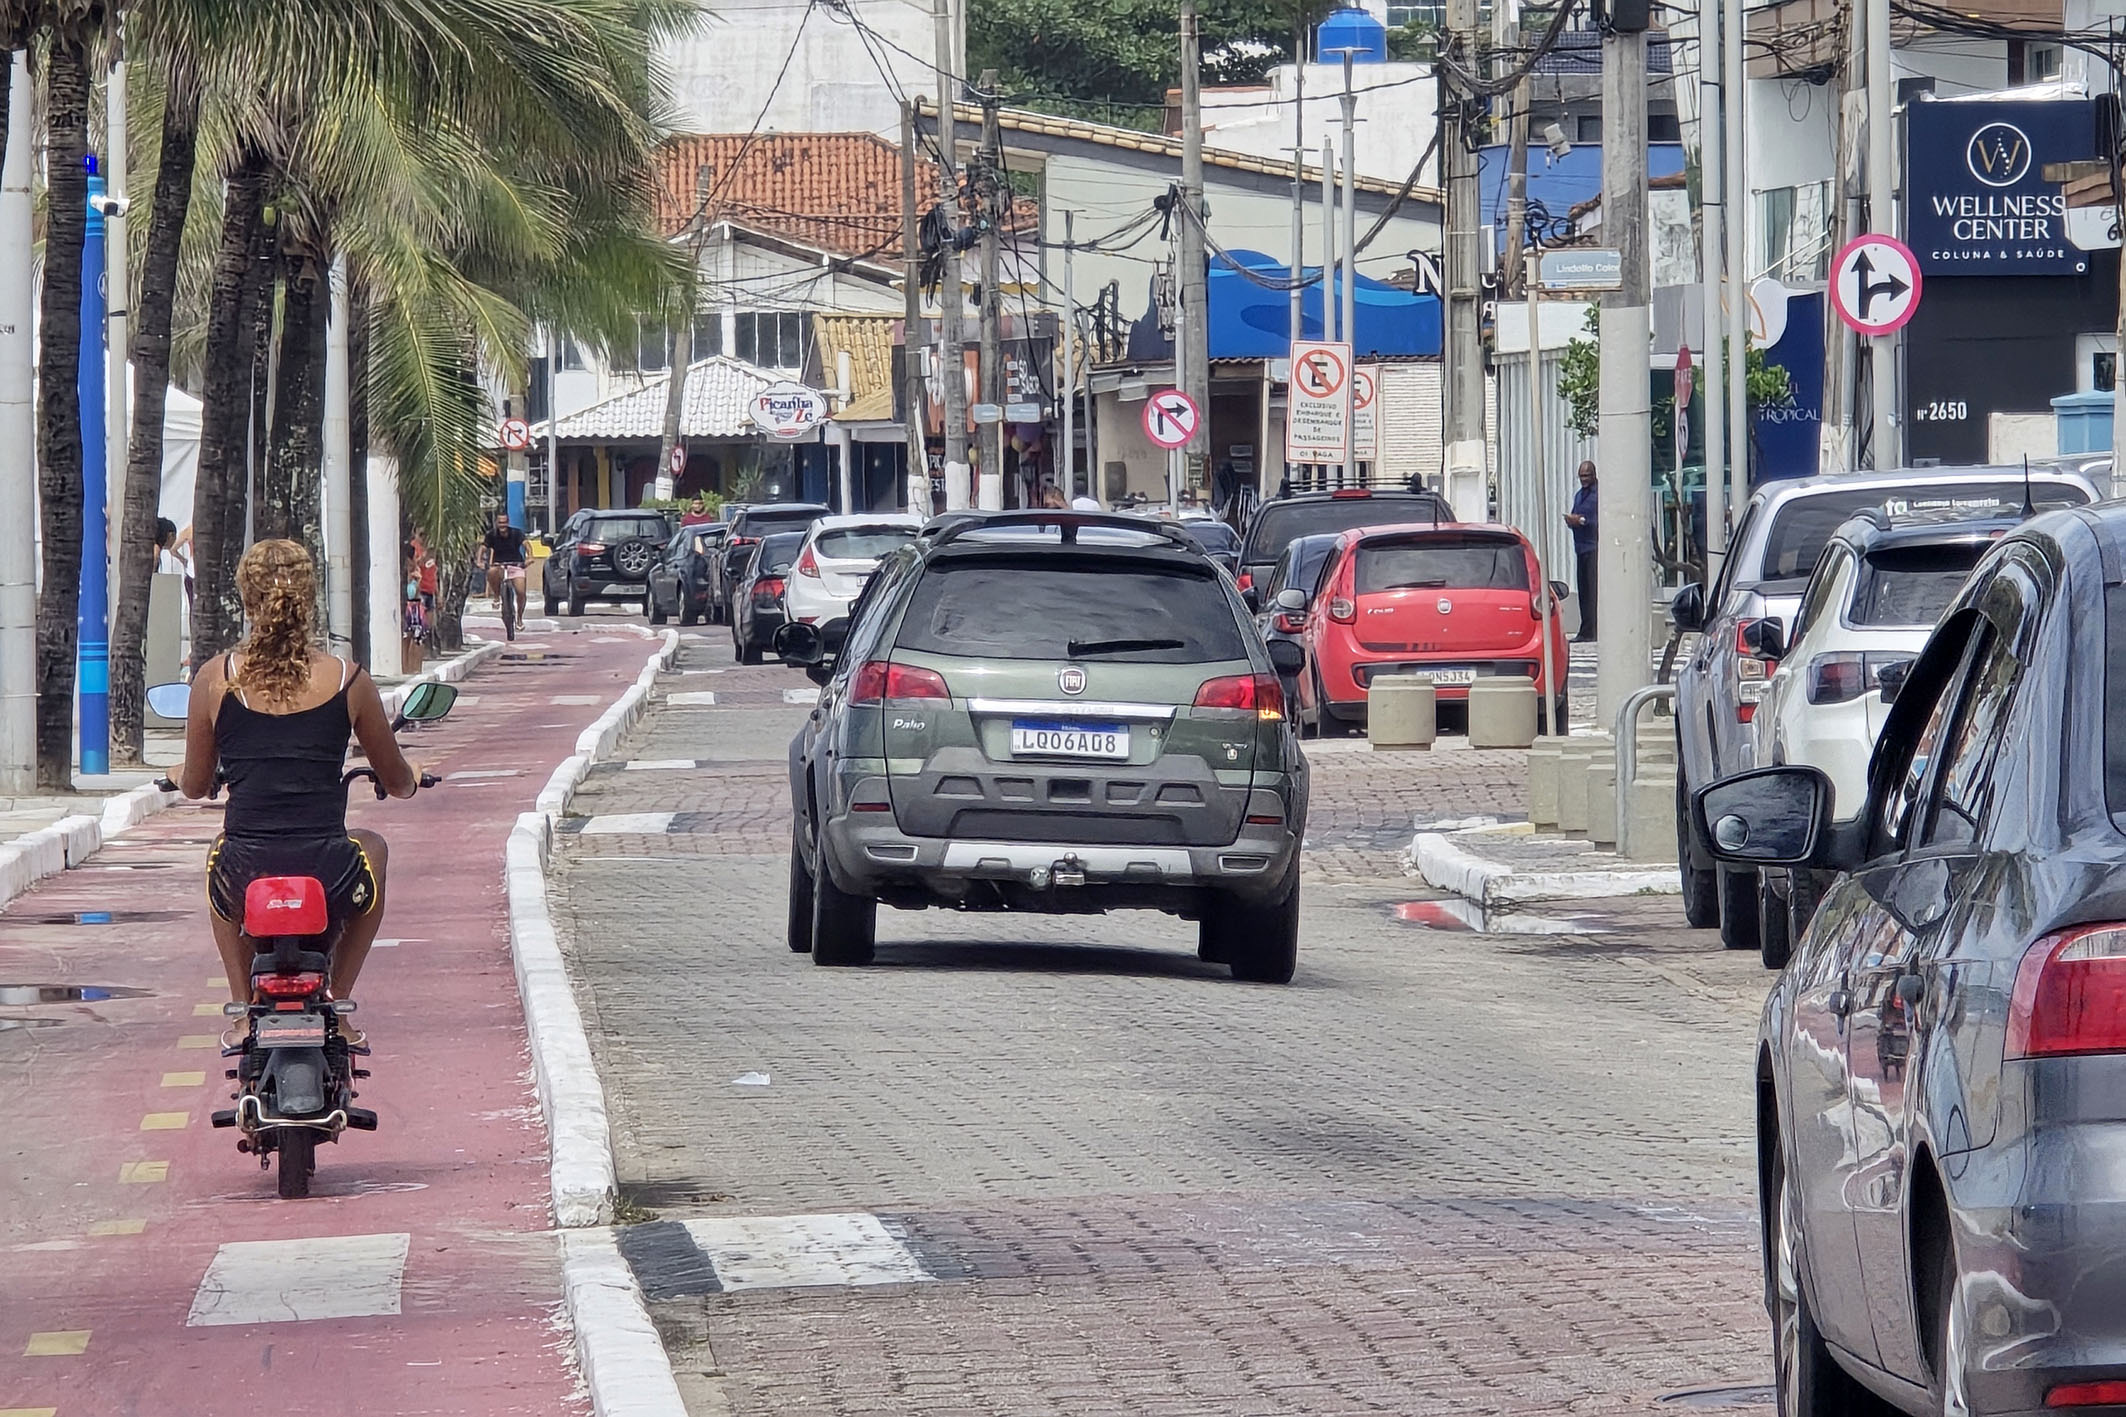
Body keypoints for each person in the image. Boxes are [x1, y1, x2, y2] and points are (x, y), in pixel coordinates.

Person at [177, 540, 421, 1046]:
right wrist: (411, 775)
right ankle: (339, 1001)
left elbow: (196, 786)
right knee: (374, 847)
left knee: (216, 855)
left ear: (246, 599)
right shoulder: (348, 679)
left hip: (246, 867)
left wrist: (180, 771)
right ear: (309, 599)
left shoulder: (215, 680)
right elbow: (398, 782)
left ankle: (242, 1010)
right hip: (329, 868)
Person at [1565, 460, 1599, 642]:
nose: (1584, 479)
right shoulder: (1579, 495)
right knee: (1584, 592)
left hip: (1594, 548)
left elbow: (1600, 521)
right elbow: (1576, 515)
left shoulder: (1599, 495)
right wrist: (1572, 521)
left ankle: (1594, 630)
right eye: (1581, 476)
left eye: (1587, 476)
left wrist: (1582, 521)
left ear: (1594, 475)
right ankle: (1585, 630)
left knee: (1594, 592)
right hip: (1581, 548)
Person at [480, 511, 529, 624]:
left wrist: (530, 557)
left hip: (516, 565)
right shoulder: (491, 534)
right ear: (496, 523)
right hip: (499, 566)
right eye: (500, 523)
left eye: (504, 522)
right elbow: (483, 548)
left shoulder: (516, 533)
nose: (502, 525)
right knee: (491, 572)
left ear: (508, 522)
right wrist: (479, 561)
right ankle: (497, 596)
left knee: (521, 592)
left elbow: (526, 544)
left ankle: (519, 618)